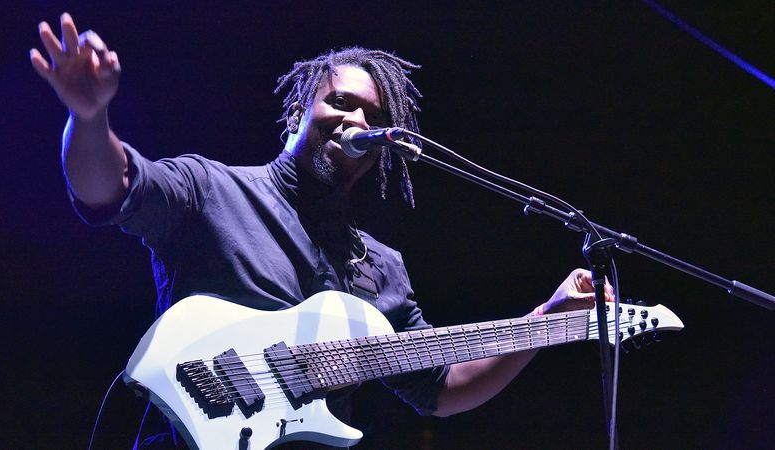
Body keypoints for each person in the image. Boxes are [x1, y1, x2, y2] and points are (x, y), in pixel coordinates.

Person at [30, 12, 611, 449]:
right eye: (340, 101)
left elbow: (442, 385)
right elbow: (108, 187)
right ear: (297, 112)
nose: (358, 120)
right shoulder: (213, 190)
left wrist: (547, 322)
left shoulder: (381, 268)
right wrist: (89, 116)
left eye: (376, 117)